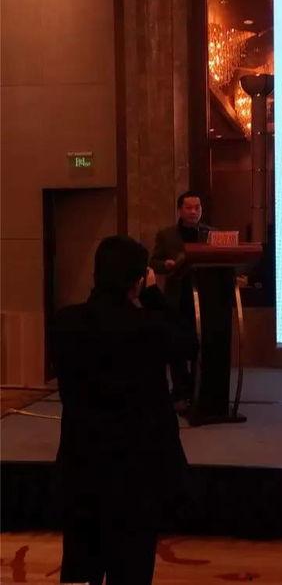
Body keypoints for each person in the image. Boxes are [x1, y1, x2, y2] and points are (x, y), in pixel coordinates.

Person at [52, 235, 197, 585]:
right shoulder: (149, 328)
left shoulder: (65, 323)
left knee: (82, 569)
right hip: (137, 475)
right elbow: (189, 343)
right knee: (131, 569)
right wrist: (152, 294)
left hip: (82, 466)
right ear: (137, 280)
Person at [150, 191, 212, 411]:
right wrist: (165, 265)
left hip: (204, 298)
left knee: (200, 346)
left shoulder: (210, 234)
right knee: (176, 348)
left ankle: (198, 391)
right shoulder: (167, 235)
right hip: (177, 299)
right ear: (179, 210)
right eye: (189, 208)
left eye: (197, 207)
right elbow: (153, 262)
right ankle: (180, 392)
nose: (194, 212)